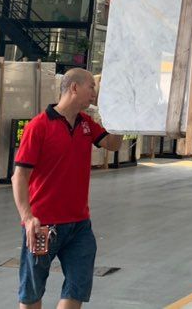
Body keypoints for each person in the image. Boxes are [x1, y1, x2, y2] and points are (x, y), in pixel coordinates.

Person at [12, 68, 123, 309]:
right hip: (43, 225)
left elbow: (113, 144)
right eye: (91, 87)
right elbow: (19, 176)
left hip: (79, 225)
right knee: (31, 292)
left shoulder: (86, 124)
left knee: (77, 287)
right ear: (74, 87)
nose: (94, 93)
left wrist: (122, 113)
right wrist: (27, 218)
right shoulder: (38, 126)